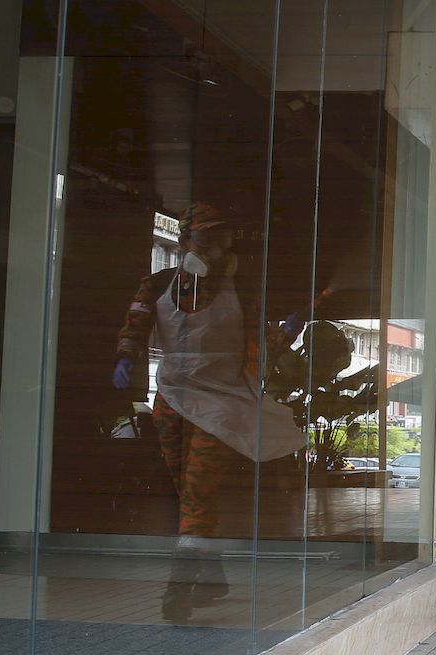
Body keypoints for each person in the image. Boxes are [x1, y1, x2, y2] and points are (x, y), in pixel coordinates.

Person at [113, 203, 305, 621]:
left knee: (198, 488)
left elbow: (261, 340)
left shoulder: (243, 288)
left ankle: (178, 587)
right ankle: (213, 573)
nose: (217, 246)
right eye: (207, 237)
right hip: (172, 398)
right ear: (185, 241)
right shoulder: (159, 282)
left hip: (223, 402)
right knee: (187, 489)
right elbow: (137, 322)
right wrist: (127, 355)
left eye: (222, 236)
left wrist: (284, 336)